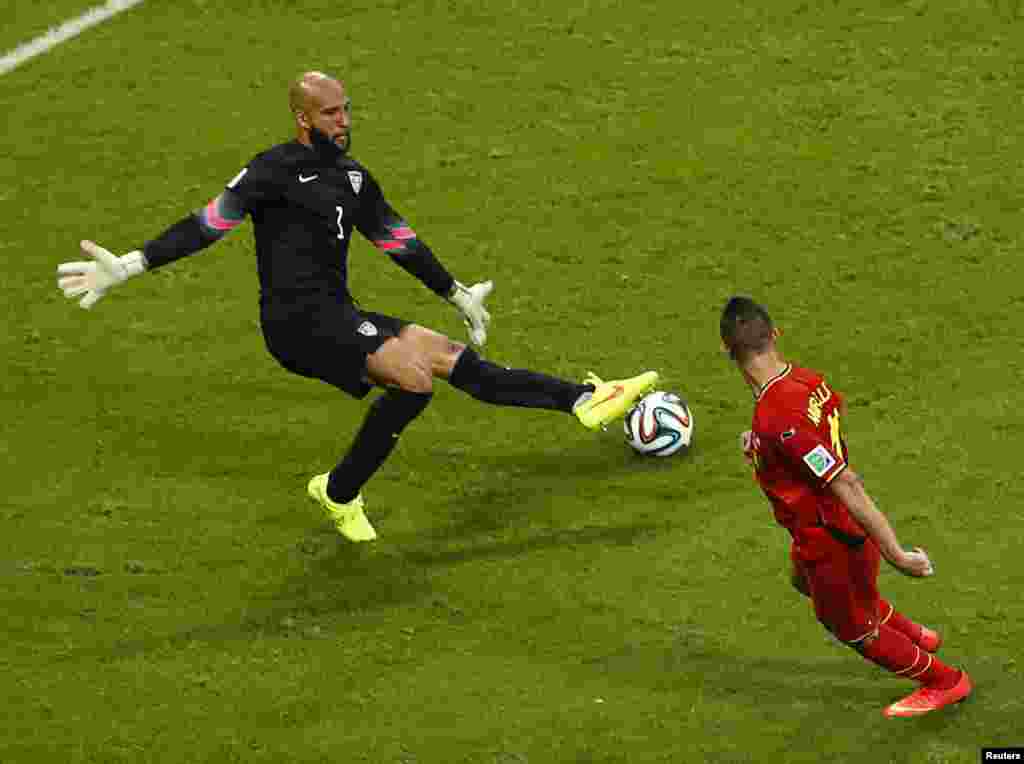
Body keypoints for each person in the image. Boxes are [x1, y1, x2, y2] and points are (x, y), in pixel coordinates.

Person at [56, 71, 658, 542]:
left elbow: (398, 239)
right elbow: (209, 224)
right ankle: (340, 492)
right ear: (302, 118)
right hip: (295, 324)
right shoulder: (272, 170)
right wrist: (132, 265)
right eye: (330, 113)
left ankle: (579, 401)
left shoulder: (352, 178)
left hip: (338, 312)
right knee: (414, 376)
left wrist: (456, 293)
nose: (343, 121)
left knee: (443, 357)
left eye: (346, 110)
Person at [719, 296, 971, 718]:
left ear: (728, 350)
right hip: (821, 529)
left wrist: (898, 556)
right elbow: (802, 435)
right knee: (806, 583)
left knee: (849, 624)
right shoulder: (804, 381)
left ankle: (945, 681)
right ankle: (918, 636)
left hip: (830, 532)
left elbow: (845, 482)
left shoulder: (777, 418)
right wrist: (761, 442)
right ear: (775, 335)